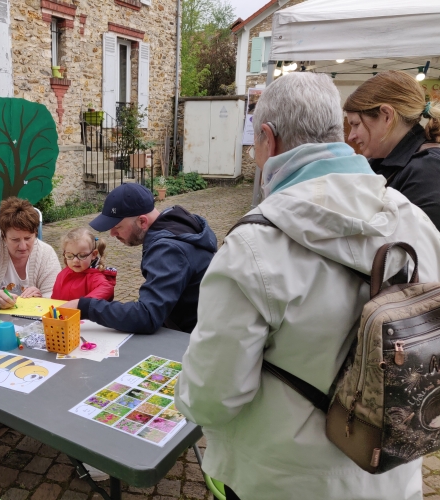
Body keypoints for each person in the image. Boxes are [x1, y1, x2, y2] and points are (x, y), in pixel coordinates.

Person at [175, 72, 440, 500]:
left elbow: (213, 397)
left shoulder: (254, 245)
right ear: (336, 133)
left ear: (268, 139)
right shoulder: (415, 220)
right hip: (388, 473)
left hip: (282, 480)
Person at [62, 183, 217, 334]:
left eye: (118, 227)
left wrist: (85, 306)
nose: (112, 234)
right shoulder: (179, 223)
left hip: (193, 339)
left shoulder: (168, 250)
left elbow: (147, 316)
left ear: (142, 221)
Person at [344, 70, 440, 229]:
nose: (351, 137)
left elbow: (419, 247)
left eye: (356, 124)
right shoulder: (382, 163)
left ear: (387, 116)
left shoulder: (428, 170)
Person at [51, 227, 116, 301]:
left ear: (93, 254)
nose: (75, 260)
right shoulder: (63, 274)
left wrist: (81, 303)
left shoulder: (95, 277)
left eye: (82, 256)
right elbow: (54, 300)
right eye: (69, 256)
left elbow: (107, 288)